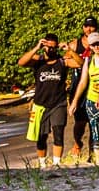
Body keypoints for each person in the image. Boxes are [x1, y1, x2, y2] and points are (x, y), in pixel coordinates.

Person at [18, 33, 81, 166]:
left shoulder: (62, 61)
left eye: (53, 47)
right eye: (48, 47)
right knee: (41, 136)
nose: (51, 50)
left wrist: (69, 49)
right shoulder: (38, 60)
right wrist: (36, 48)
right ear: (44, 46)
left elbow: (80, 63)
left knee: (58, 132)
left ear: (57, 47)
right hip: (40, 104)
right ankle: (42, 163)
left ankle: (56, 163)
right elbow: (21, 62)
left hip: (59, 103)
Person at [68, 31, 99, 164]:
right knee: (95, 131)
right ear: (90, 47)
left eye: (98, 44)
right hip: (92, 100)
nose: (96, 47)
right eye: (93, 45)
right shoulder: (88, 61)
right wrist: (74, 102)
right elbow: (83, 82)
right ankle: (98, 161)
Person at [65, 17, 99, 161]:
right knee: (79, 122)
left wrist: (79, 61)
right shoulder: (74, 44)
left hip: (94, 86)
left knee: (94, 121)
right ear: (83, 28)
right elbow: (67, 62)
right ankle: (78, 143)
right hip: (77, 88)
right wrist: (78, 59)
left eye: (92, 26)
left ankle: (93, 152)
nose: (89, 29)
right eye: (86, 26)